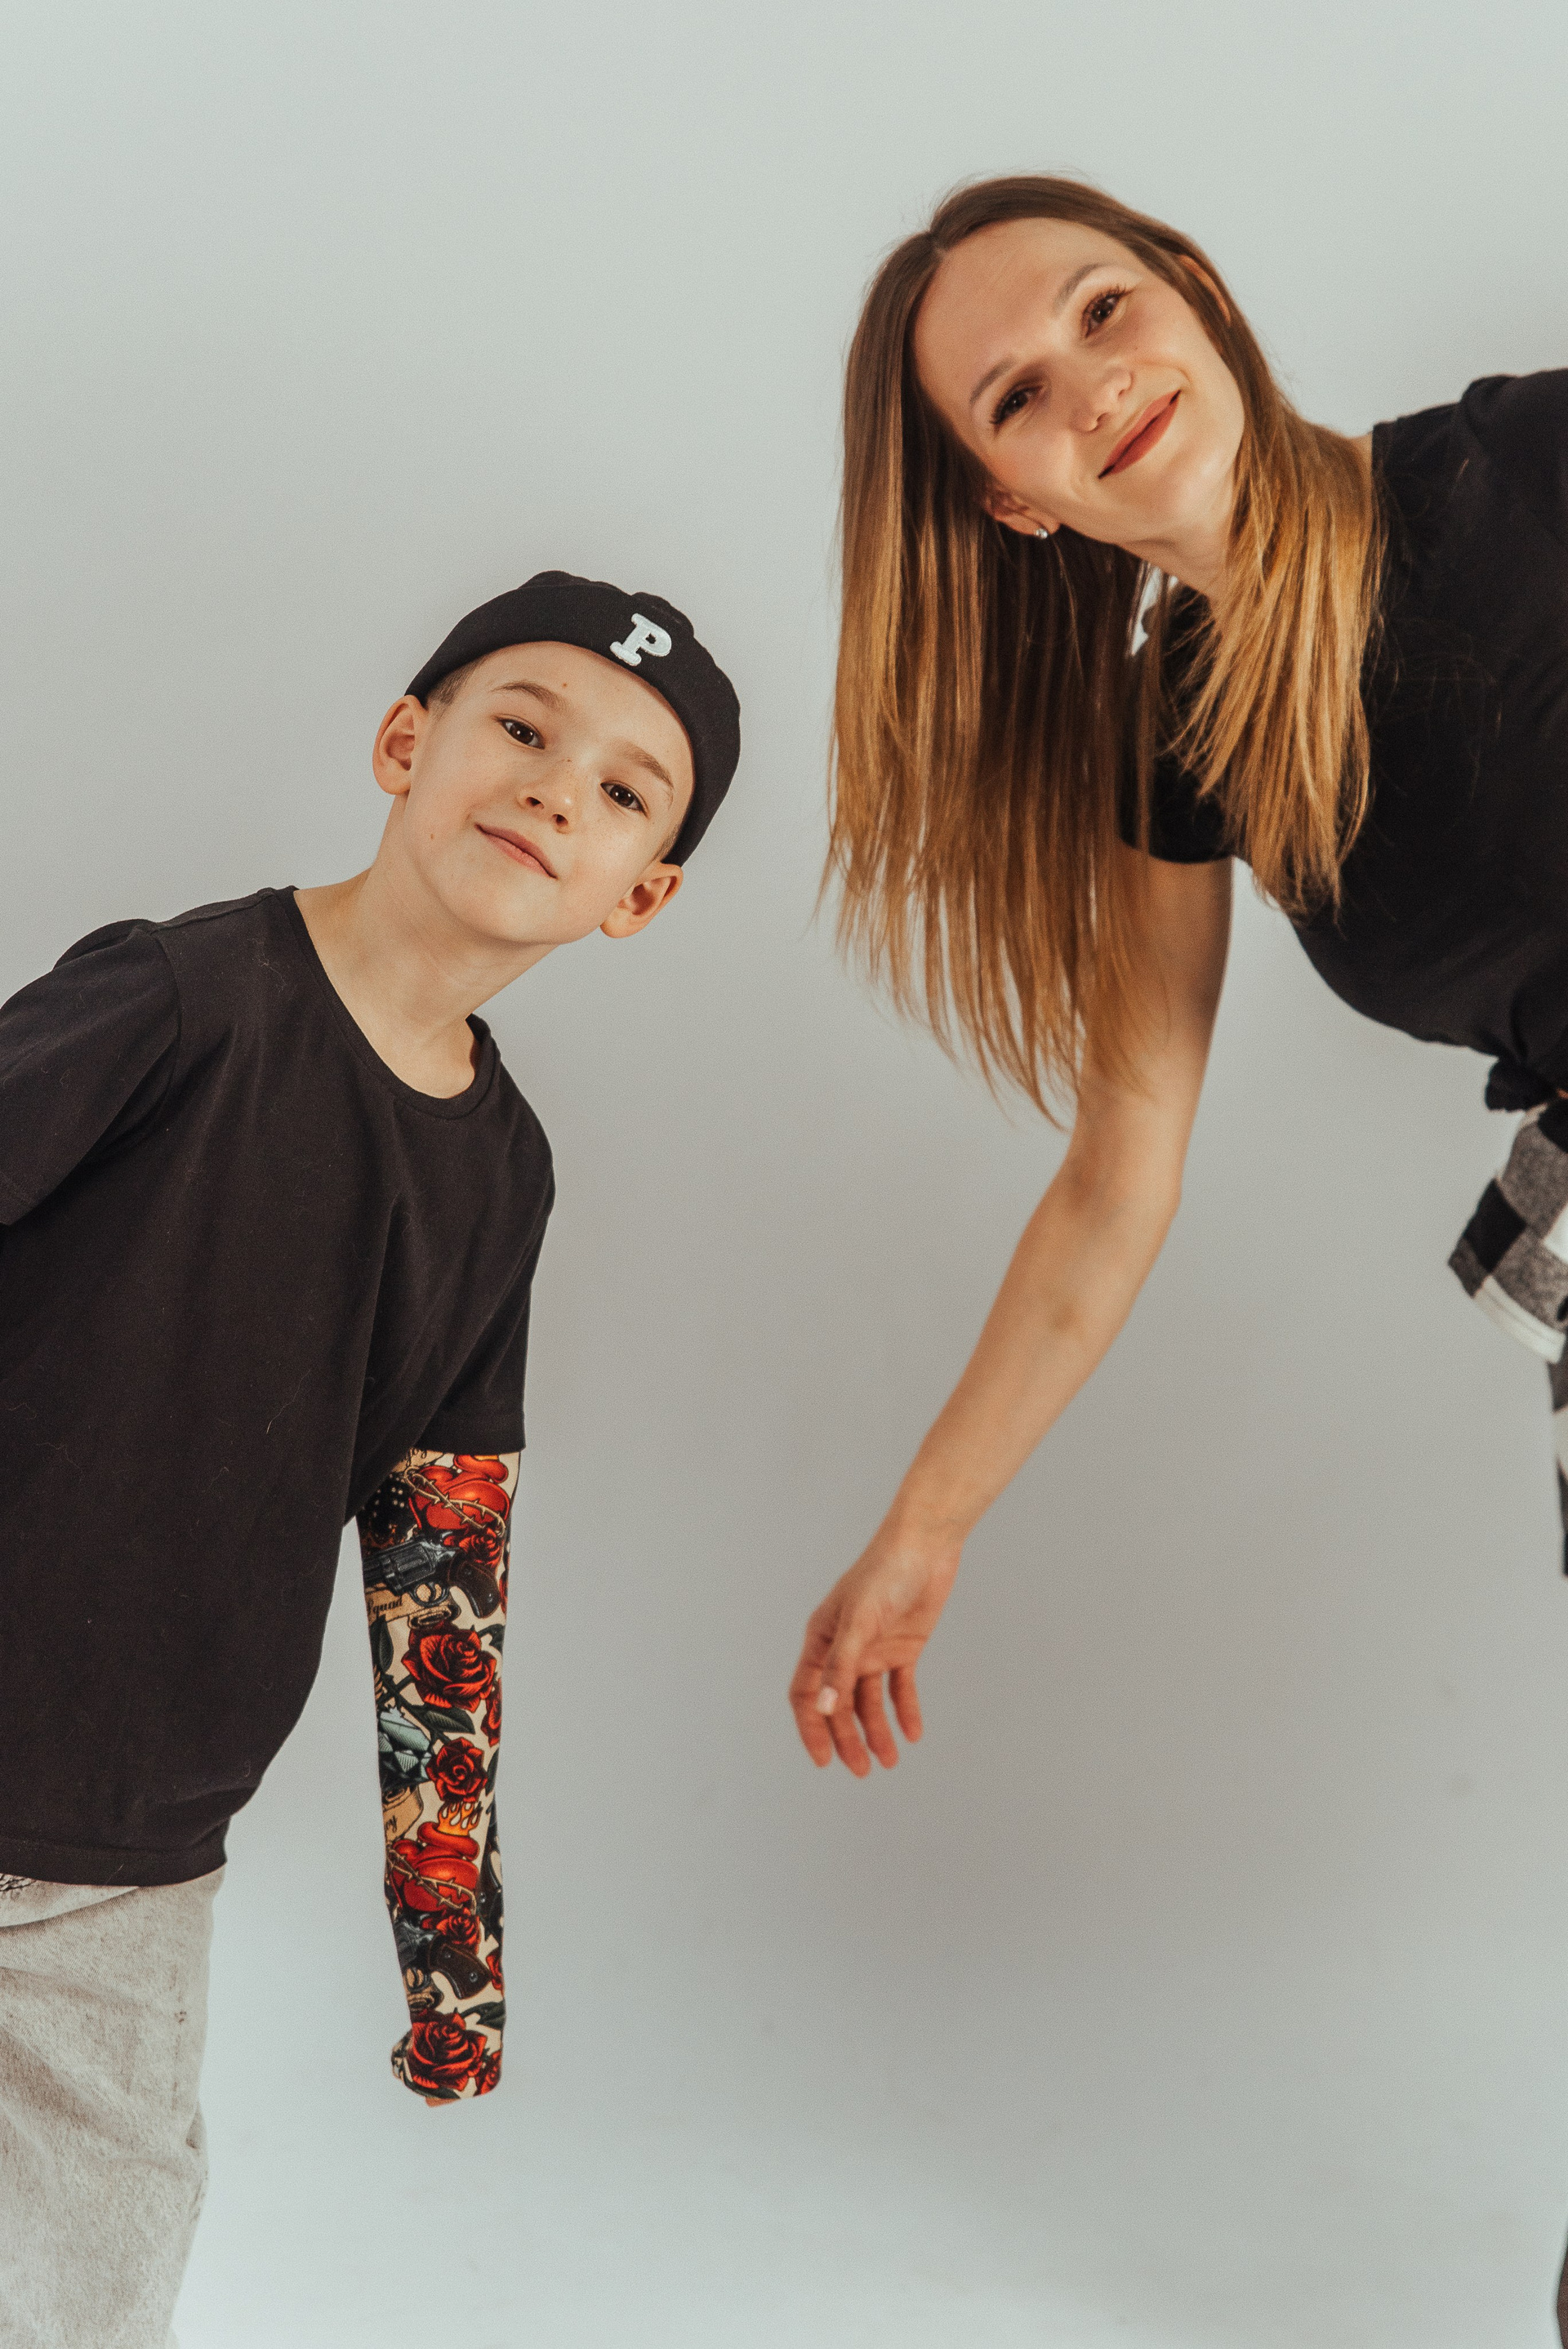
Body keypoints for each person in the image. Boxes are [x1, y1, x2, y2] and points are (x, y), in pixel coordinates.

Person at [784, 173, 1568, 2329]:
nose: (1092, 387)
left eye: (1105, 309)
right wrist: (927, 1522)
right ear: (1011, 501)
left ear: (1199, 295)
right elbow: (1122, 1168)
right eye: (1015, 399)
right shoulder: (1186, 734)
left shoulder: (1522, 460)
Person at [0, 570, 740, 2347]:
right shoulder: (182, 996)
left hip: (130, 1852)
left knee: (94, 2278)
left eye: (622, 788)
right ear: (409, 741)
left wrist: (449, 1940)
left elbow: (442, 1561)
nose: (555, 785)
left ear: (641, 893)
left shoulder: (504, 1176)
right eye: (523, 724)